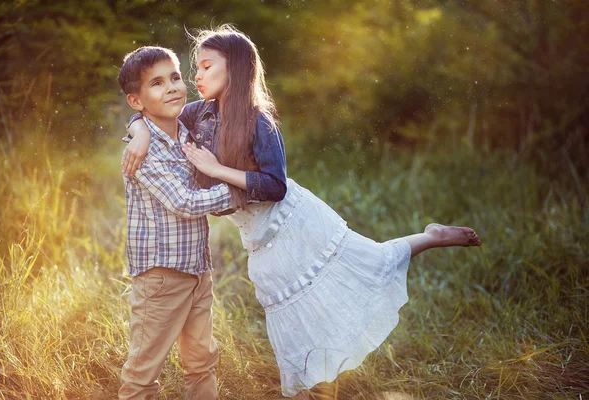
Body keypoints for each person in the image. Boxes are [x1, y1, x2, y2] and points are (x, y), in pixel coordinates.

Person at [122, 26, 481, 398]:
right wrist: (139, 130)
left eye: (206, 66)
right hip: (258, 236)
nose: (196, 76)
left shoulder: (259, 122)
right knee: (293, 309)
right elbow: (155, 118)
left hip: (292, 221)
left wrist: (217, 171)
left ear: (237, 70)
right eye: (195, 67)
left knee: (365, 265)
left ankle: (430, 237)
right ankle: (318, 380)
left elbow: (275, 186)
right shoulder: (199, 114)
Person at [117, 45, 239, 400]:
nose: (171, 87)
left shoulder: (185, 130)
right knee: (144, 370)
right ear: (136, 100)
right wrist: (241, 190)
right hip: (161, 275)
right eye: (156, 83)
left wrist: (138, 123)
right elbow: (184, 203)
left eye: (174, 77)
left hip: (197, 269)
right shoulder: (144, 151)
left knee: (202, 360)